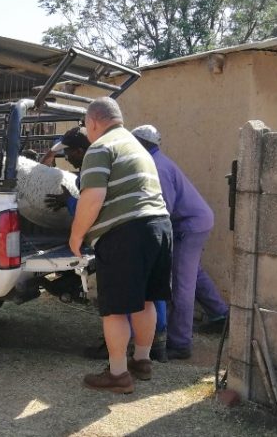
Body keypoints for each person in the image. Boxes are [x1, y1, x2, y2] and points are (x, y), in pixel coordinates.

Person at [68, 97, 172, 394]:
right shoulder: (137, 147)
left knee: (114, 309)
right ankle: (142, 361)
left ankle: (118, 375)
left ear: (93, 122)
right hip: (159, 227)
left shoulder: (101, 147)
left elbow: (92, 197)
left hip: (126, 234)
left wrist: (76, 237)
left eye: (86, 126)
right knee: (147, 300)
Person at [131, 125, 229, 359]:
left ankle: (180, 343)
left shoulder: (155, 167)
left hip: (188, 226)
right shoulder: (159, 161)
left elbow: (163, 208)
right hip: (195, 221)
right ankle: (221, 315)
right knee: (193, 272)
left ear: (142, 144)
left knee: (182, 285)